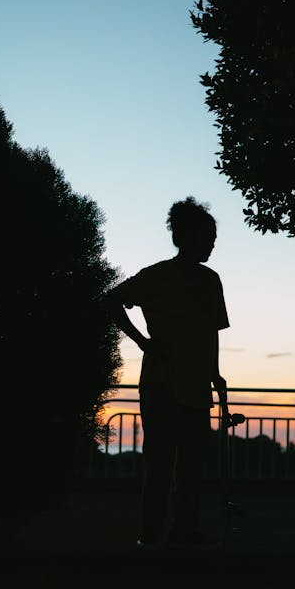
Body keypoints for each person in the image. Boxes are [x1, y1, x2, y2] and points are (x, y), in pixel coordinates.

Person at [105, 196, 230, 548]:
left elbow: (210, 334)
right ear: (185, 237)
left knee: (190, 465)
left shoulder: (210, 281)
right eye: (207, 238)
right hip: (161, 384)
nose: (211, 245)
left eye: (213, 239)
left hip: (194, 383)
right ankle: (153, 531)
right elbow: (112, 300)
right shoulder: (157, 276)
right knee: (161, 462)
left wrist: (215, 374)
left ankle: (183, 531)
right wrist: (143, 343)